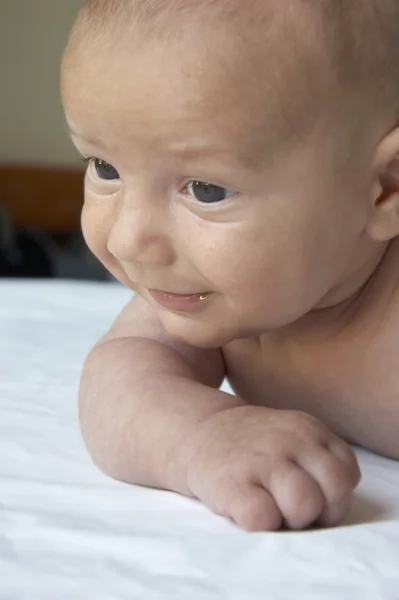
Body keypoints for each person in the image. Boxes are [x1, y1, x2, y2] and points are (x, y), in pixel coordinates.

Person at [61, 0, 399, 531]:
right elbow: (118, 384)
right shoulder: (206, 302)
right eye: (104, 167)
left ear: (385, 188)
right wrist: (202, 435)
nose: (128, 240)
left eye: (207, 189)